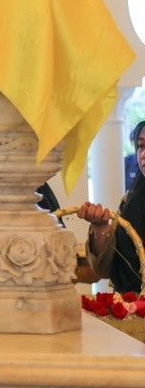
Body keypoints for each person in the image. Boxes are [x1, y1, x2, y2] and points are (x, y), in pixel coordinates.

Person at [79, 120, 145, 295]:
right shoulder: (130, 203)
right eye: (141, 146)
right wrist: (100, 227)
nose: (143, 154)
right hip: (131, 313)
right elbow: (105, 269)